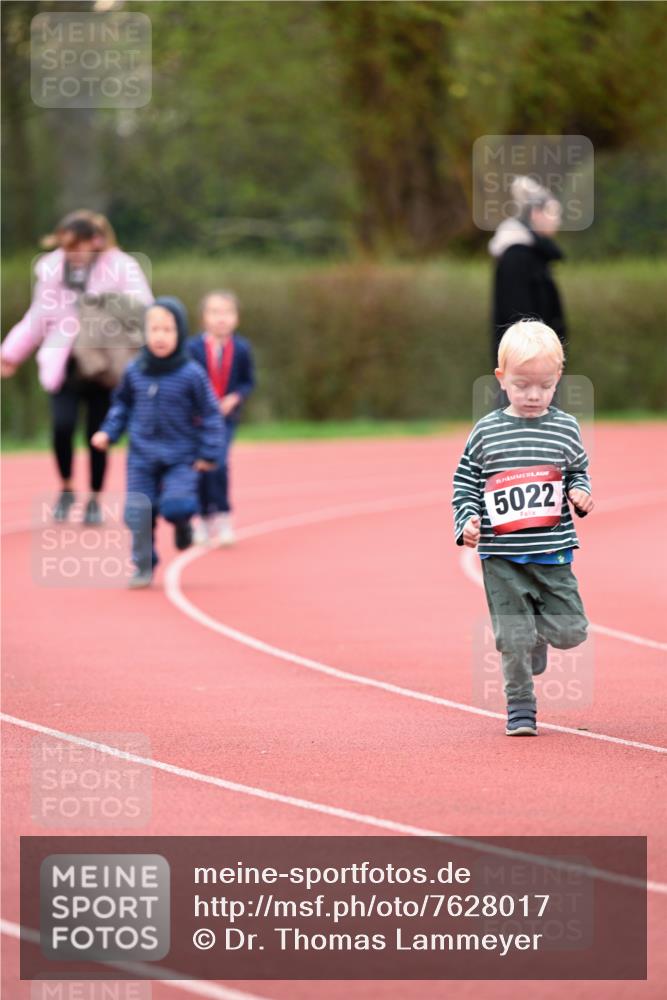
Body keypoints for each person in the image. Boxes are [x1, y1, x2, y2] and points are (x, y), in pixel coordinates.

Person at [452, 320, 593, 736]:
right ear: (501, 380)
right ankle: (520, 707)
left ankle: (540, 636)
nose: (533, 395)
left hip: (552, 552)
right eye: (522, 385)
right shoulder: (487, 432)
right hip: (501, 557)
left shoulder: (566, 429)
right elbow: (465, 482)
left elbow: (578, 472)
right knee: (511, 639)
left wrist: (581, 493)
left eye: (545, 386)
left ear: (558, 381)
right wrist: (467, 520)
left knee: (572, 632)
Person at [1, 210, 152, 524]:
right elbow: (38, 318)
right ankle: (67, 488)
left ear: (93, 242)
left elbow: (143, 308)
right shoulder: (53, 271)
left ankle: (95, 498)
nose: (71, 254)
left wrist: (102, 309)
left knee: (98, 434)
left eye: (76, 247)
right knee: (62, 426)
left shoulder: (122, 268)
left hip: (104, 364)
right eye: (65, 247)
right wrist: (10, 354)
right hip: (65, 361)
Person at [91, 297, 223, 589]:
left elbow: (211, 414)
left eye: (168, 330)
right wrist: (108, 432)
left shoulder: (191, 374)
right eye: (155, 329)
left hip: (181, 457)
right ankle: (143, 564)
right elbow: (121, 406)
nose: (160, 336)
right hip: (142, 457)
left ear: (180, 333)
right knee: (137, 514)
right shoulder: (135, 371)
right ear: (145, 333)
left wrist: (209, 452)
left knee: (177, 506)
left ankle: (182, 524)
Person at [187, 290, 256, 546]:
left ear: (236, 318)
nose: (221, 318)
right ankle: (203, 519)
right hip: (198, 421)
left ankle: (224, 516)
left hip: (225, 419)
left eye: (226, 312)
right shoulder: (192, 348)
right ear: (204, 317)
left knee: (220, 464)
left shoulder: (241, 348)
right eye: (215, 312)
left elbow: (248, 382)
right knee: (201, 468)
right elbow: (188, 382)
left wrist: (234, 397)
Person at [489, 176, 567, 364]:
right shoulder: (516, 258)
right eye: (553, 213)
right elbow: (518, 321)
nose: (558, 221)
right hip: (526, 370)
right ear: (535, 214)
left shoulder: (536, 257)